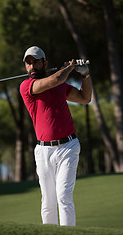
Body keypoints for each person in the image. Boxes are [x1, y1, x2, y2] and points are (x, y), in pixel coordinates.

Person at [20, 46, 92, 226]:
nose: (32, 66)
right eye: (28, 63)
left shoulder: (61, 85)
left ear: (45, 63)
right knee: (47, 202)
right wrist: (70, 66)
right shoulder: (27, 86)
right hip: (43, 151)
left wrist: (85, 76)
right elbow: (55, 79)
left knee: (64, 197)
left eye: (36, 62)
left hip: (68, 147)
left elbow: (85, 98)